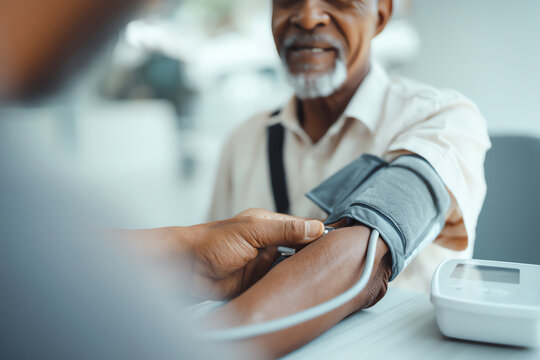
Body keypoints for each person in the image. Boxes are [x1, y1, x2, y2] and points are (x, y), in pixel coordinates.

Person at [207, 0, 490, 355]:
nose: (308, 17)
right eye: (287, 1)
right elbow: (213, 270)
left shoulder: (443, 119)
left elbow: (371, 247)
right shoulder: (243, 140)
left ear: (381, 14)